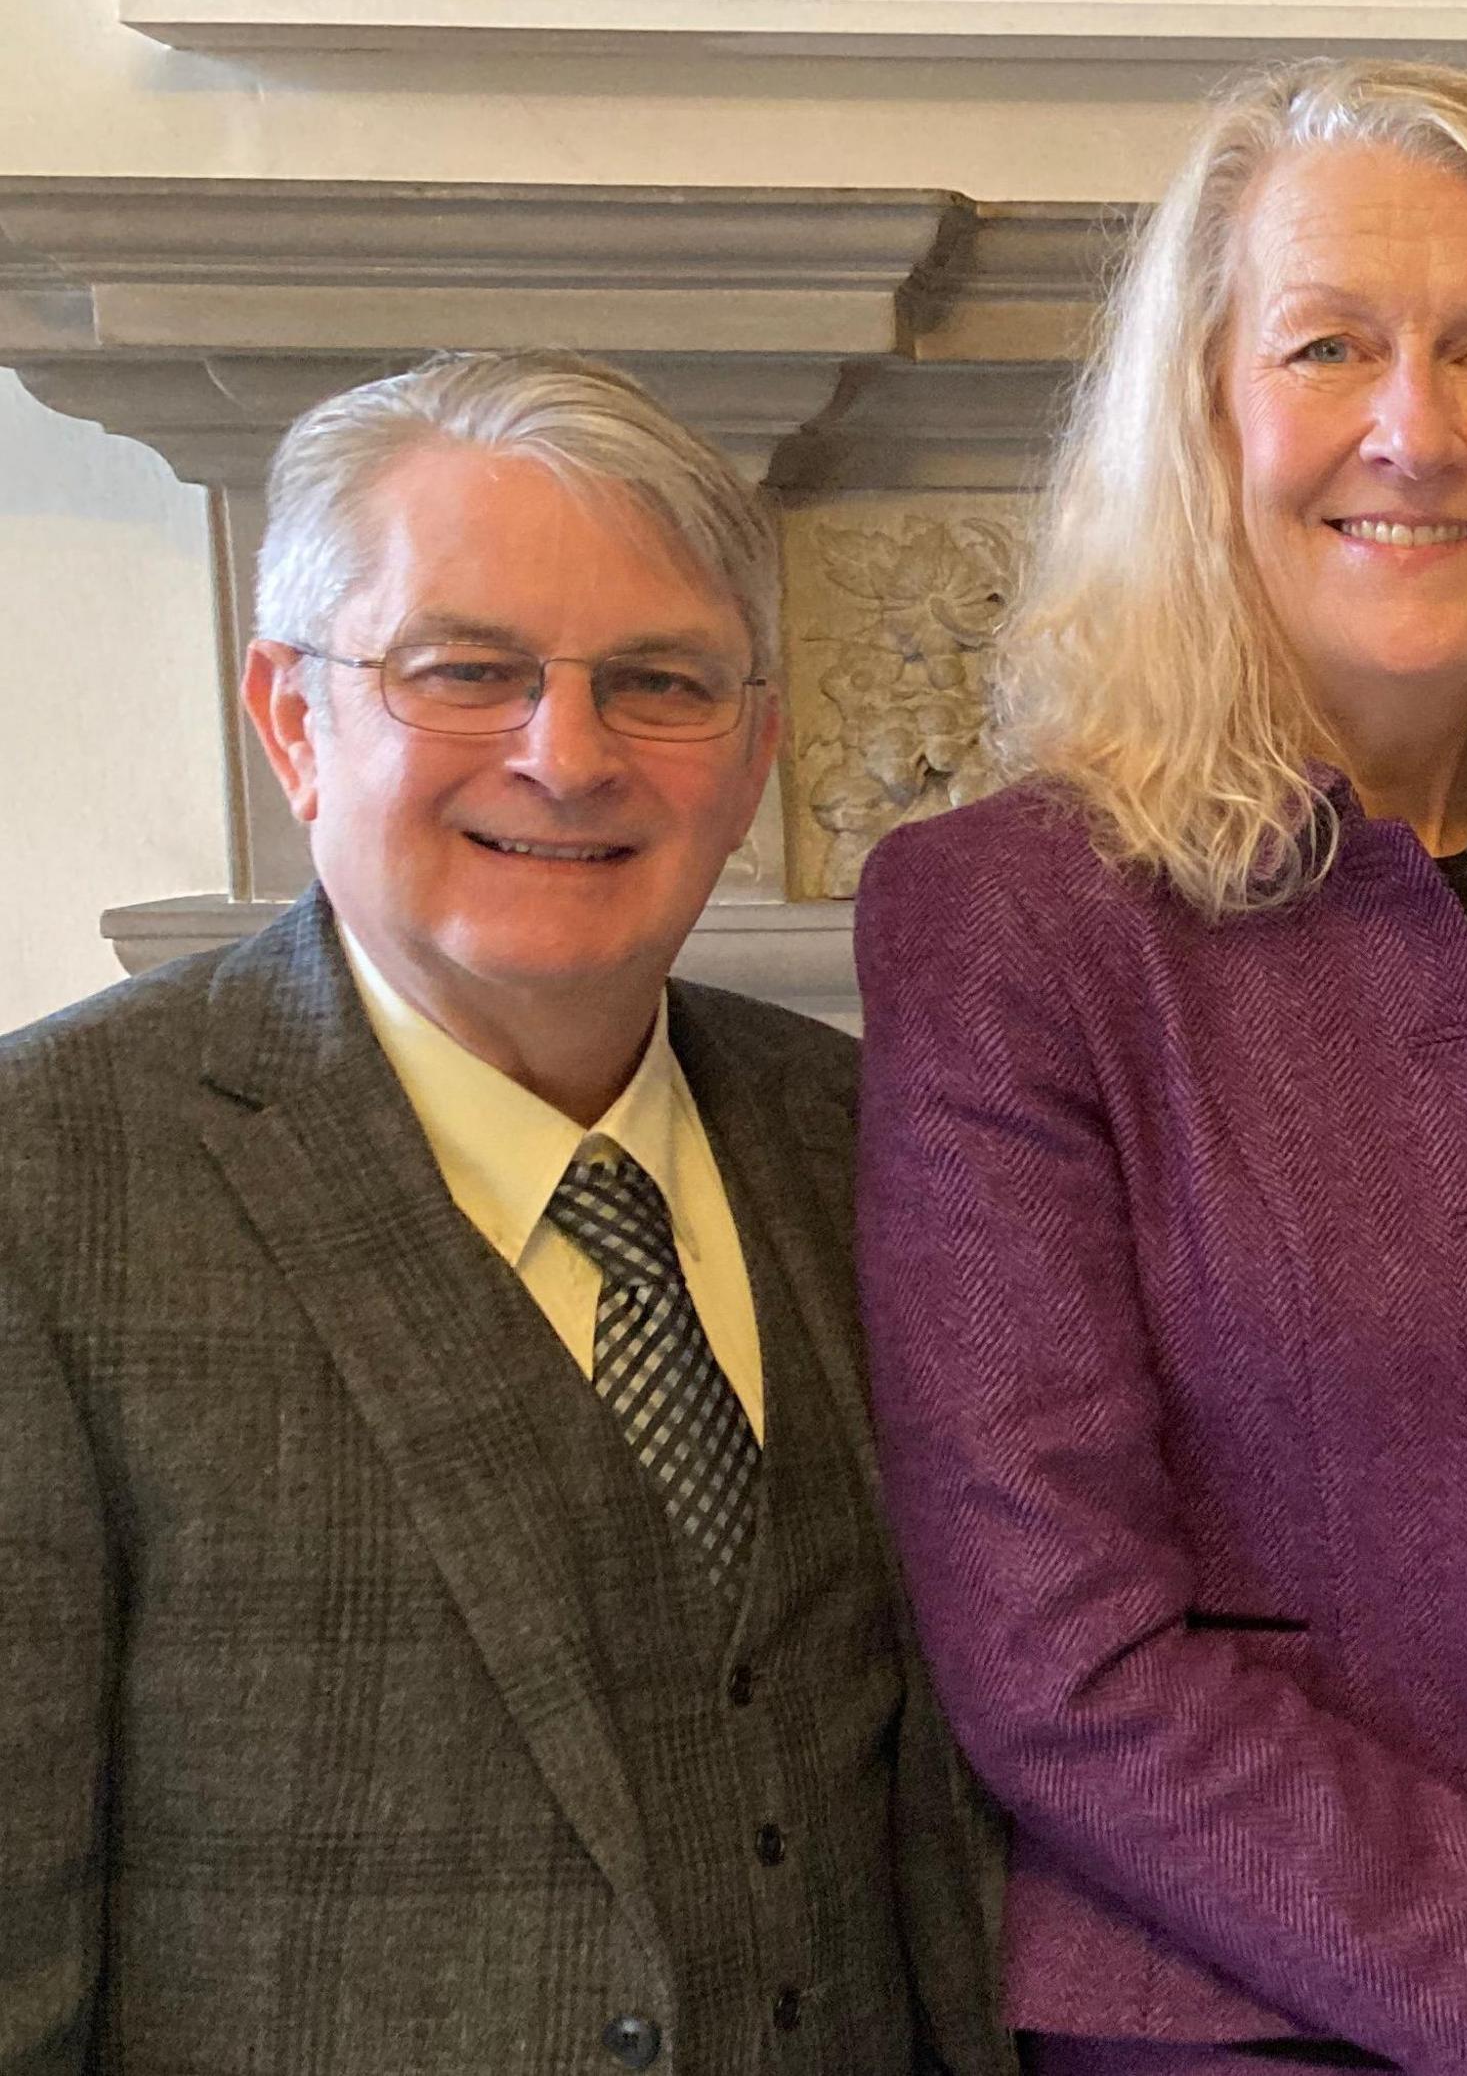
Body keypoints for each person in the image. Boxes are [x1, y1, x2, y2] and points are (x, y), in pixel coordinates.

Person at [851, 58, 1467, 2076]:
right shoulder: (1014, 922)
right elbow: (1059, 1655)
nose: (1416, 429)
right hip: (1241, 2034)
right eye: (1330, 346)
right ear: (1208, 408)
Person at [0, 351, 1011, 2076]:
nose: (568, 755)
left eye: (659, 681)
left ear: (757, 748)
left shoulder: (888, 1143)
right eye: (464, 671)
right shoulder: (42, 1196)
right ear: (294, 720)